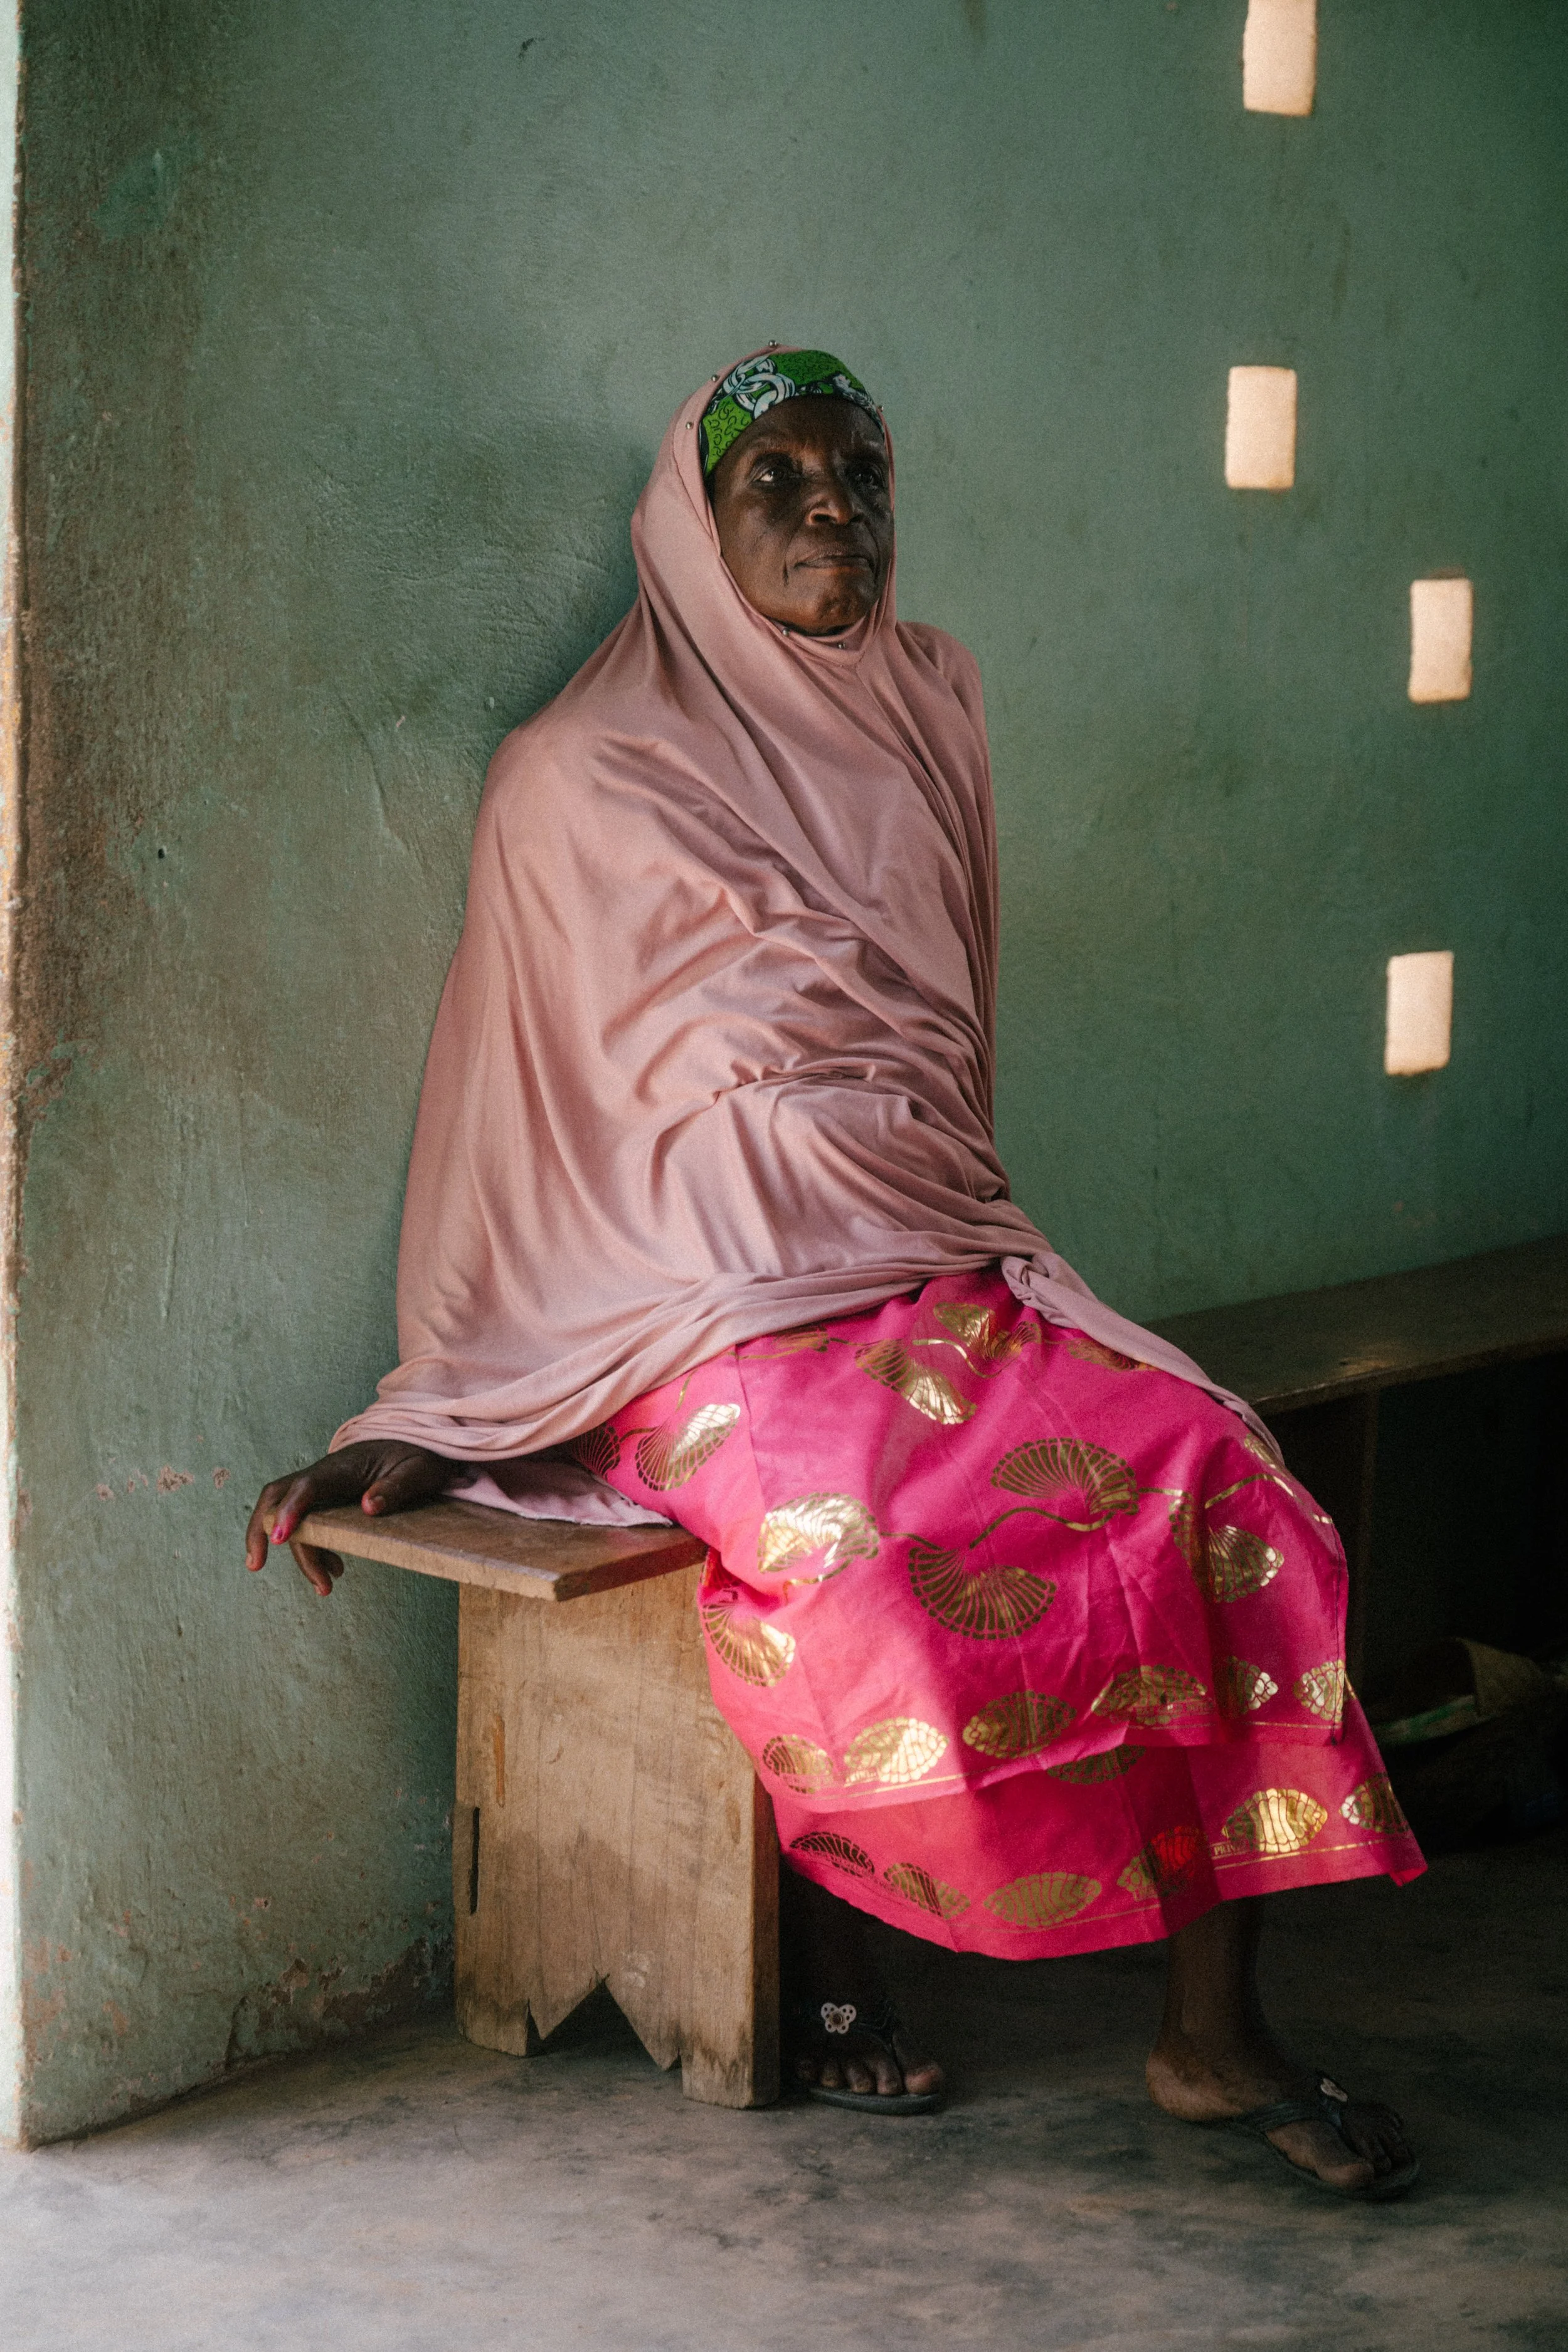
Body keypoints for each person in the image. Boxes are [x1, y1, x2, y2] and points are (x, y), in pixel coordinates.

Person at [247, 347, 1421, 2198]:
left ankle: (1210, 2033)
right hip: (701, 1313)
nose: (828, 515)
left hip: (933, 1256)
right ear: (693, 530)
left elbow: (938, 1042)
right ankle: (838, 1966)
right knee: (868, 1561)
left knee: (1221, 1475)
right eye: (773, 482)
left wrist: (930, 1238)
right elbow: (523, 1112)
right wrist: (441, 1405)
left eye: (858, 473)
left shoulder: (925, 699)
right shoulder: (574, 775)